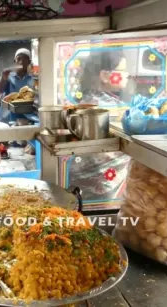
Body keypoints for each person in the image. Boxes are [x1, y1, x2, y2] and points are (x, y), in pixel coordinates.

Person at [69, 51, 131, 204]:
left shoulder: (89, 99)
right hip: (102, 184)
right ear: (104, 75)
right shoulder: (106, 107)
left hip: (83, 181)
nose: (127, 75)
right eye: (123, 70)